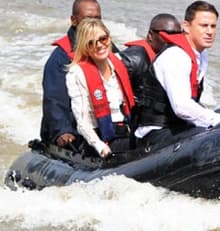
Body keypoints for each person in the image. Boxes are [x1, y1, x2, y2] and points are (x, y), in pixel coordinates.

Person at [135, 1, 220, 148]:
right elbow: (182, 108)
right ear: (186, 27)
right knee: (213, 133)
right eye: (203, 25)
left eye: (213, 26)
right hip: (157, 132)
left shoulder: (202, 55)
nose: (209, 31)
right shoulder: (176, 56)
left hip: (180, 125)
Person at [40, 0, 118, 149]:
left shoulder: (107, 48)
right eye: (88, 18)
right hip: (76, 126)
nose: (93, 22)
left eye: (98, 18)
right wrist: (63, 131)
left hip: (106, 120)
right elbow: (54, 100)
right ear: (74, 21)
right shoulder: (60, 58)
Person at [66, 18, 135, 158]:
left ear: (109, 38)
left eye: (103, 39)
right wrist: (99, 145)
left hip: (126, 132)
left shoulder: (119, 63)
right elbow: (82, 122)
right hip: (101, 137)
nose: (99, 45)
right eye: (91, 43)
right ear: (84, 47)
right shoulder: (76, 74)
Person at [119, 14, 182, 133]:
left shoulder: (171, 58)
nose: (175, 40)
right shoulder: (134, 59)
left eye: (178, 35)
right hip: (138, 129)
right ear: (151, 35)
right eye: (168, 35)